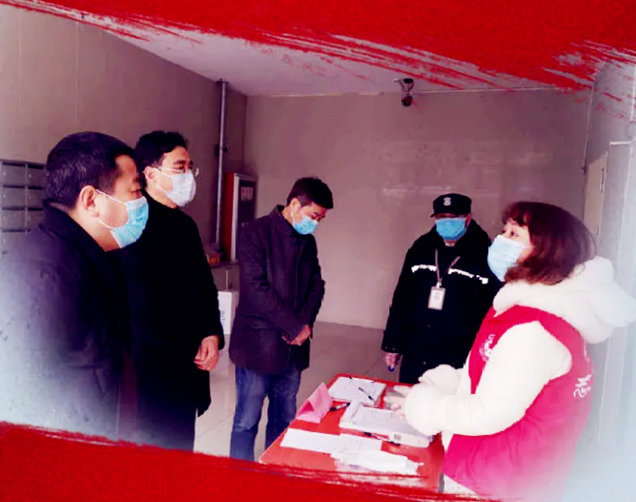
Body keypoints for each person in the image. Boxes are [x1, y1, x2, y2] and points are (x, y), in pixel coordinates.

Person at [387, 201, 636, 502]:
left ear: (548, 251)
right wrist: (439, 384)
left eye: (514, 234)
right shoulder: (526, 312)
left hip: (497, 481)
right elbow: (490, 376)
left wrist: (424, 408)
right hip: (507, 471)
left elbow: (487, 413)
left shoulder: (534, 331)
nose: (501, 241)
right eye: (504, 231)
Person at [0, 132, 147, 439]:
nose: (141, 203)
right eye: (135, 191)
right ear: (91, 200)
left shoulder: (92, 257)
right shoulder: (45, 276)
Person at [114, 131, 224, 451]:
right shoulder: (132, 224)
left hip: (186, 366)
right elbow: (142, 307)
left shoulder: (185, 226)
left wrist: (211, 334)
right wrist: (189, 344)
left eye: (190, 167)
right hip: (151, 368)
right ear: (150, 174)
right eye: (179, 167)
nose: (188, 175)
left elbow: (204, 287)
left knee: (181, 446)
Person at [229, 177, 334, 461]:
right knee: (247, 419)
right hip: (258, 345)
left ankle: (273, 470)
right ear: (295, 204)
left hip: (293, 349)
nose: (315, 224)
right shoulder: (254, 232)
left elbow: (316, 286)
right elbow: (256, 289)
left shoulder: (307, 242)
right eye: (314, 216)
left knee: (284, 417)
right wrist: (295, 325)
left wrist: (304, 325)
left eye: (320, 219)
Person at [382, 193, 499, 384]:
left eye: (453, 217)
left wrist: (483, 357)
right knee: (410, 396)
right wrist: (393, 344)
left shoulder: (485, 254)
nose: (446, 222)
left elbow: (490, 310)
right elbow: (403, 298)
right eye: (441, 217)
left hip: (459, 350)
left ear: (468, 218)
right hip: (417, 344)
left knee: (445, 397)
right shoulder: (421, 247)